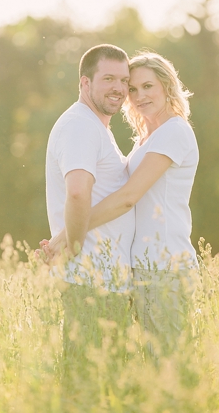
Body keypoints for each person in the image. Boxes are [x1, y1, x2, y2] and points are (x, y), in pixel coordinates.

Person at [44, 50, 199, 356]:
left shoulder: (175, 132)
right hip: (141, 268)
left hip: (164, 264)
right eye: (133, 88)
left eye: (147, 86)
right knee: (146, 366)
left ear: (167, 85)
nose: (138, 95)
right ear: (85, 83)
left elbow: (128, 198)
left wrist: (66, 236)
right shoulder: (146, 137)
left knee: (167, 366)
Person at [43, 44, 136, 382]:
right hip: (93, 281)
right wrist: (75, 247)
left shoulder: (97, 128)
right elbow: (78, 191)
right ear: (85, 83)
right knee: (88, 385)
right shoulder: (80, 125)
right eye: (108, 78)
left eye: (124, 80)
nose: (119, 88)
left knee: (99, 383)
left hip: (103, 280)